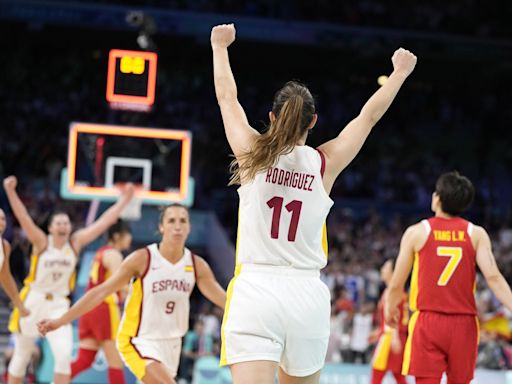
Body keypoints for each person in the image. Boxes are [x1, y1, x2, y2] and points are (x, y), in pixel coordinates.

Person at [211, 23, 416, 384]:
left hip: (256, 290)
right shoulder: (324, 162)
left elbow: (228, 99)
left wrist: (220, 47)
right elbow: (367, 118)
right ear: (314, 122)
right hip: (306, 294)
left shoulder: (250, 152)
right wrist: (399, 74)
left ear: (272, 117)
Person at [38, 203, 227, 384]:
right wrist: (60, 321)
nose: (177, 226)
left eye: (182, 221)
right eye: (171, 221)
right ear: (161, 227)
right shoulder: (141, 259)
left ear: (189, 227)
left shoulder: (196, 265)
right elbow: (100, 292)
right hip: (138, 339)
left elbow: (225, 301)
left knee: (86, 360)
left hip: (172, 344)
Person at [3, 175, 134, 384]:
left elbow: (104, 222)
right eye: (59, 223)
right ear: (51, 228)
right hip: (33, 301)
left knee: (64, 357)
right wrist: (10, 191)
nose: (63, 226)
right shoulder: (41, 241)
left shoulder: (75, 242)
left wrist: (125, 200)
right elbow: (24, 217)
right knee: (22, 355)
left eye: (66, 222)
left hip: (59, 304)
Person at [386, 171, 512, 384]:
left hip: (427, 321)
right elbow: (493, 277)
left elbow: (397, 283)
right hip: (464, 323)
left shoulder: (417, 232)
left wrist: (390, 308)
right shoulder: (476, 233)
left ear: (437, 198)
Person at [72, 220, 133, 383]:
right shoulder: (114, 254)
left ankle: (58, 380)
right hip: (104, 308)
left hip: (88, 307)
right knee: (116, 362)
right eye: (128, 235)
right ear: (117, 236)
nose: (130, 239)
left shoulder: (100, 252)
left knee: (84, 360)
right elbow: (118, 285)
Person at [371, 260, 407, 384]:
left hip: (391, 337)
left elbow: (394, 316)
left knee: (377, 373)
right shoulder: (397, 290)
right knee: (398, 375)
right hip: (395, 335)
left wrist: (394, 337)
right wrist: (378, 331)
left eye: (385, 267)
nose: (382, 270)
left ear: (393, 272)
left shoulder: (392, 291)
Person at [0, 208, 30, 317]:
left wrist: (19, 305)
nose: (1, 222)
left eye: (3, 219)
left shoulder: (4, 246)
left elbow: (6, 277)